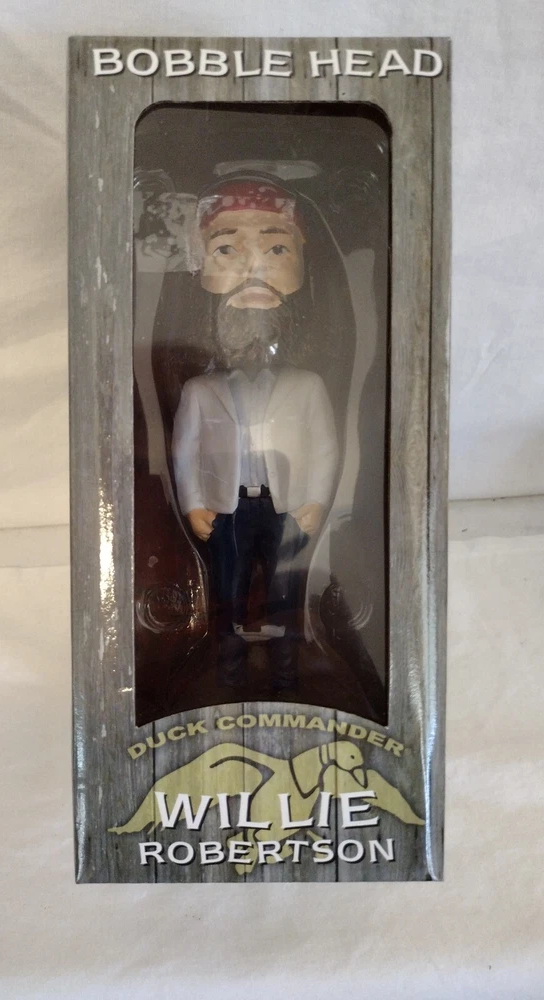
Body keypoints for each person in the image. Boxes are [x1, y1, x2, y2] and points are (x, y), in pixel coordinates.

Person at [172, 178, 339, 691]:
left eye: (275, 249)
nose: (253, 273)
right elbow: (185, 451)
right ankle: (228, 678)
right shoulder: (201, 389)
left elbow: (325, 447)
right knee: (228, 594)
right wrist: (193, 503)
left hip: (286, 507)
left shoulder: (306, 385)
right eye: (227, 249)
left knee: (285, 596)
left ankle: (287, 677)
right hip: (226, 511)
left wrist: (315, 499)